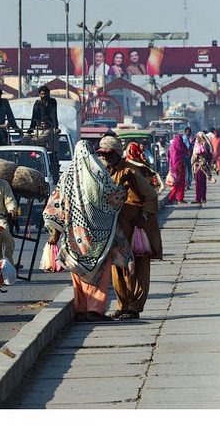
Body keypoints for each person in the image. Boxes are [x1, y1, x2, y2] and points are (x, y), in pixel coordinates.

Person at [43, 138, 134, 322]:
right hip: (98, 235)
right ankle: (95, 310)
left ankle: (81, 308)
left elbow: (56, 203)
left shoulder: (67, 175)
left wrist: (55, 232)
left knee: (78, 272)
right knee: (99, 273)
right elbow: (113, 197)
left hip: (74, 235)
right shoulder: (98, 172)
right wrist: (122, 190)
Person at [96, 136, 160, 321]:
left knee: (138, 268)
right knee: (118, 267)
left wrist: (144, 216)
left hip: (137, 228)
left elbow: (151, 196)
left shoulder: (132, 171)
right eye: (102, 154)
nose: (105, 158)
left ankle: (134, 307)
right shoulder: (103, 172)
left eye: (108, 154)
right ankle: (122, 305)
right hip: (116, 229)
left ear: (116, 153)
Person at [191, 132, 216, 204]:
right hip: (202, 166)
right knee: (201, 183)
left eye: (198, 137)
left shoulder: (203, 145)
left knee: (199, 183)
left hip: (200, 166)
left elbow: (201, 156)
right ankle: (202, 198)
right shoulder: (204, 144)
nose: (197, 138)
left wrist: (195, 160)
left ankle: (199, 198)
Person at [166, 134, 188, 204]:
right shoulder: (181, 145)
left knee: (176, 183)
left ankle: (172, 198)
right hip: (180, 165)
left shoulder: (171, 147)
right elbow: (187, 152)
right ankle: (179, 198)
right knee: (181, 182)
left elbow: (168, 157)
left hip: (173, 167)